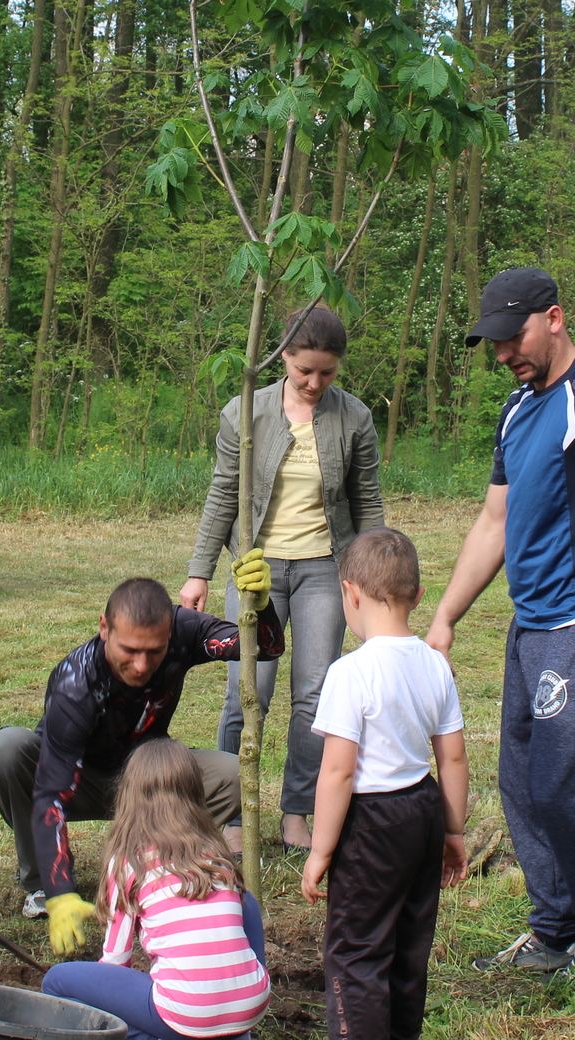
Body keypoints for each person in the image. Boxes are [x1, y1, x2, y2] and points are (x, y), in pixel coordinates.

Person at [424, 268, 575, 987]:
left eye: (512, 337)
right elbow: (494, 521)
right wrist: (444, 616)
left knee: (560, 786)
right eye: (493, 343)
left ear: (553, 318)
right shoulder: (518, 410)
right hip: (530, 629)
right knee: (521, 785)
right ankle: (552, 929)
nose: (503, 354)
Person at [0, 555, 283, 934]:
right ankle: (40, 885)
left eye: (154, 652)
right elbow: (51, 794)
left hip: (148, 781)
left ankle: (158, 873)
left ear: (169, 634)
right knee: (8, 748)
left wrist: (261, 607)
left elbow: (262, 649)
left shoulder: (182, 629)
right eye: (130, 651)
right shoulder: (76, 684)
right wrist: (60, 890)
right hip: (77, 781)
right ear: (104, 628)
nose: (141, 666)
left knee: (229, 775)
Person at [179, 305, 384, 851]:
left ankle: (298, 812)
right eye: (305, 372)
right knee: (248, 693)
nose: (316, 383)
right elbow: (224, 493)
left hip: (325, 570)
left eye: (328, 373)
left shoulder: (356, 418)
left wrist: (374, 576)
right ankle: (233, 815)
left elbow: (367, 502)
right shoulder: (245, 413)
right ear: (283, 357)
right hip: (255, 573)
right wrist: (199, 572)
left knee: (314, 697)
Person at [301, 528, 468, 1040]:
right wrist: (454, 833)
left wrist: (321, 851)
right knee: (409, 946)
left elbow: (338, 772)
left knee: (356, 953)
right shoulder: (435, 664)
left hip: (371, 824)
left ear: (349, 594)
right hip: (422, 812)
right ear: (418, 597)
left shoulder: (350, 672)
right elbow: (454, 757)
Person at [42, 740, 271, 1040]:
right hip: (251, 1003)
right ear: (194, 792)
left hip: (185, 1012)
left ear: (130, 795)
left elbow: (116, 961)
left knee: (57, 982)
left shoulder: (129, 862)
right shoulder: (216, 854)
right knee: (246, 900)